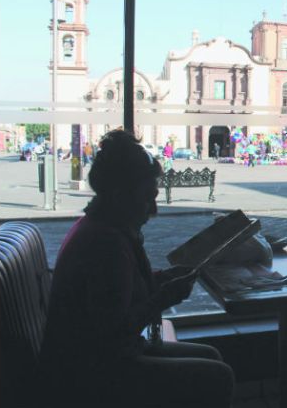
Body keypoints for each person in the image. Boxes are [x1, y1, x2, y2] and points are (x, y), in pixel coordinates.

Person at [37, 129, 234, 407]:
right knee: (218, 376)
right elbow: (115, 333)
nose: (153, 209)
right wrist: (165, 297)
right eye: (147, 198)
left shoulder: (99, 226)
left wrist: (163, 278)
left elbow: (119, 292)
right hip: (92, 376)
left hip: (88, 361)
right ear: (121, 195)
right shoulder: (106, 243)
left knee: (211, 357)